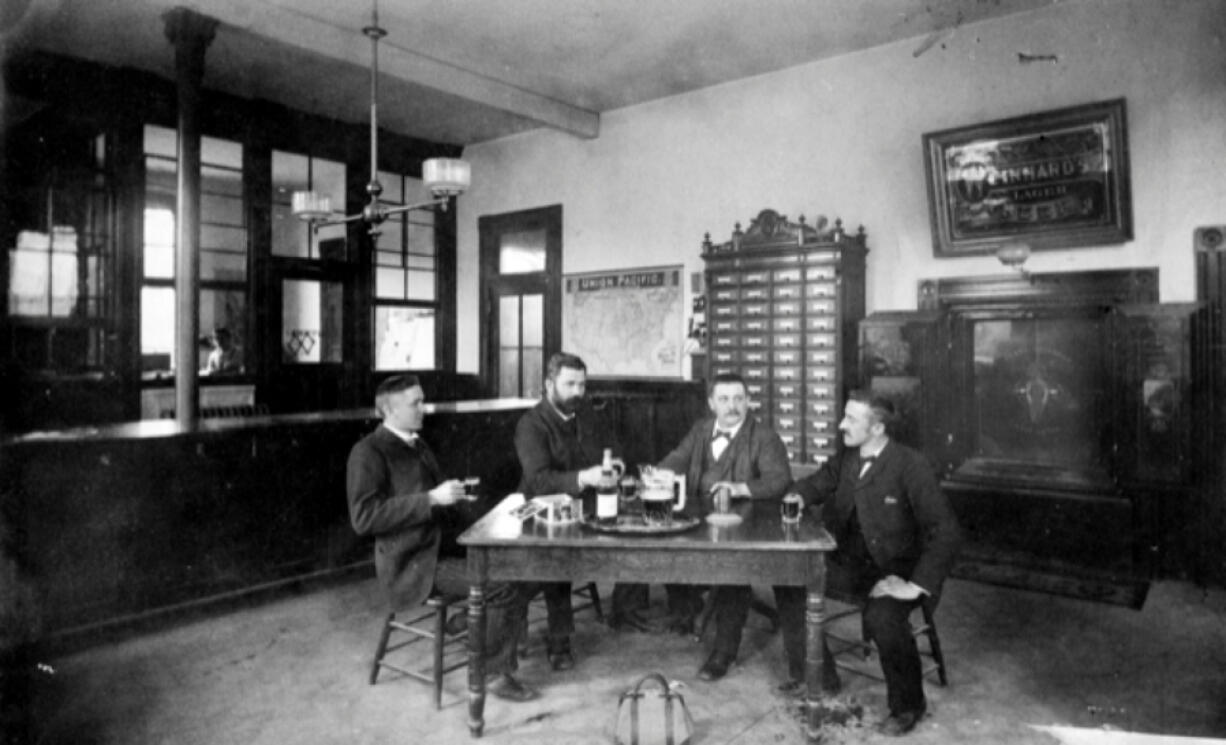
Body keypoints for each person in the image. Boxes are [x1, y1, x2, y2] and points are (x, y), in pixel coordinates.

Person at [777, 390, 961, 736]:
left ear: (877, 428)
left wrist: (915, 585)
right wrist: (797, 496)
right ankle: (821, 677)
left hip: (899, 572)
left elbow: (947, 532)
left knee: (882, 617)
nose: (841, 424)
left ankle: (908, 706)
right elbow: (817, 482)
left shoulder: (911, 464)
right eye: (843, 415)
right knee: (790, 580)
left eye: (851, 419)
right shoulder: (847, 457)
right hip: (851, 565)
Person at [347, 374, 537, 702]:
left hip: (440, 549)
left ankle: (469, 622)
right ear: (388, 410)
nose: (425, 408)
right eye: (415, 403)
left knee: (517, 565)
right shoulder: (368, 452)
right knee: (501, 585)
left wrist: (468, 506)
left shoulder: (416, 443)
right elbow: (364, 518)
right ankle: (491, 672)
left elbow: (438, 502)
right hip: (412, 564)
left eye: (423, 400)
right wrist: (432, 499)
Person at [644, 372, 793, 674]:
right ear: (712, 403)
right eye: (724, 399)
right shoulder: (701, 430)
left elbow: (779, 480)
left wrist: (740, 488)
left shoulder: (764, 437)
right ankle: (684, 612)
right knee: (664, 545)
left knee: (730, 572)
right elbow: (678, 458)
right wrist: (659, 473)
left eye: (739, 398)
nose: (732, 406)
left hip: (744, 524)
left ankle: (723, 653)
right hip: (701, 519)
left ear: (748, 401)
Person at [514, 352, 625, 668]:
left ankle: (627, 612)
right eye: (570, 384)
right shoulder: (531, 424)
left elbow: (612, 448)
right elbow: (538, 480)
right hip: (537, 509)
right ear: (549, 384)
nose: (578, 392)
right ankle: (558, 643)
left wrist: (614, 463)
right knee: (555, 560)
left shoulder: (586, 413)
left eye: (582, 384)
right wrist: (585, 477)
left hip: (581, 506)